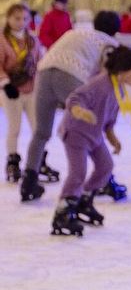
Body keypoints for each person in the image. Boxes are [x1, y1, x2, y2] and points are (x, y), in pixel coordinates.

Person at [19, 10, 120, 202]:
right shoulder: (110, 44)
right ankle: (106, 179)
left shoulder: (74, 32)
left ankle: (28, 181)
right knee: (90, 124)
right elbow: (105, 78)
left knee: (41, 132)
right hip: (72, 74)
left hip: (44, 71)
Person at [49, 45, 131, 236]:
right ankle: (62, 212)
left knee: (105, 166)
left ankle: (84, 201)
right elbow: (75, 98)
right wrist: (80, 112)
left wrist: (113, 139)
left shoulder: (119, 90)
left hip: (94, 135)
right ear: (123, 71)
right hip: (76, 132)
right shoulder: (100, 83)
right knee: (78, 173)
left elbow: (108, 121)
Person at [3, 2, 43, 184]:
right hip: (12, 91)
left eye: (25, 18)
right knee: (15, 128)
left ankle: (38, 161)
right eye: (17, 18)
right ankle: (12, 161)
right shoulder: (2, 40)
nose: (21, 22)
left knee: (38, 128)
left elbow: (40, 62)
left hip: (32, 90)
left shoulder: (33, 40)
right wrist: (5, 84)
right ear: (8, 19)